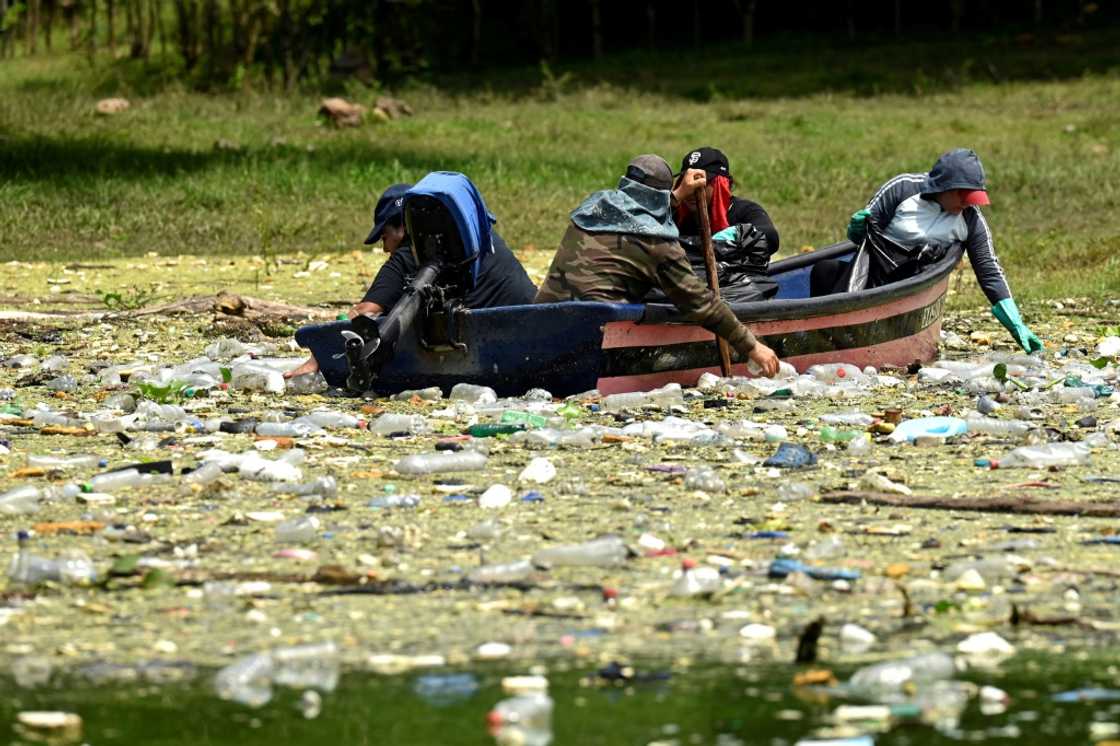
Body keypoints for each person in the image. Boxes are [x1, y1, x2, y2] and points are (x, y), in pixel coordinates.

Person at [534, 154, 782, 377]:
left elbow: (637, 210)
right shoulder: (657, 242)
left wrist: (676, 195)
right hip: (594, 339)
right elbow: (700, 303)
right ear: (661, 194)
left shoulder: (593, 208)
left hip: (542, 325)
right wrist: (752, 346)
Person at [284, 181, 537, 380]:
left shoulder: (410, 252)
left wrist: (320, 358)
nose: (385, 250)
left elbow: (363, 315)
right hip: (532, 321)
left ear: (404, 227)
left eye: (384, 238)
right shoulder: (477, 237)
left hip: (491, 350)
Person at [811, 148, 1043, 353]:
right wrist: (856, 229)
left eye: (973, 198)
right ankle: (821, 339)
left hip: (913, 287)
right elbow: (864, 237)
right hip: (873, 278)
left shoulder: (970, 219)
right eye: (963, 196)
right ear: (944, 187)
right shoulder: (901, 189)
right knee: (824, 270)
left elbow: (989, 269)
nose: (967, 204)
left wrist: (1017, 324)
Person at [671, 147, 781, 302]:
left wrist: (735, 235)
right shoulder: (675, 214)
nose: (691, 190)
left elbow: (770, 238)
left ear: (720, 184)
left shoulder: (744, 210)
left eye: (700, 182)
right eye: (686, 181)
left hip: (736, 292)